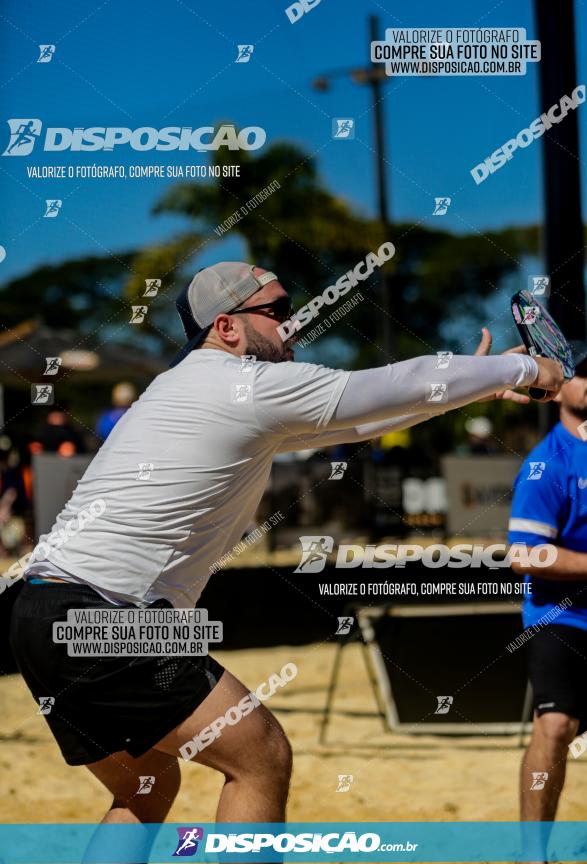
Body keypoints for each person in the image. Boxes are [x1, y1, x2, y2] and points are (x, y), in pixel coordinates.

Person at [10, 261, 562, 845]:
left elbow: (360, 421)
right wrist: (526, 365)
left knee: (145, 785)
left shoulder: (186, 386)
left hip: (40, 615)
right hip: (103, 616)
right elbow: (387, 385)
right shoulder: (242, 386)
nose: (292, 325)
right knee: (261, 755)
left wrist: (473, 381)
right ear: (226, 327)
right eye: (275, 312)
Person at [509, 340, 587, 835]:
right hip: (561, 617)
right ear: (557, 391)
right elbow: (525, 556)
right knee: (556, 725)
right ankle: (533, 850)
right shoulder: (547, 463)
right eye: (583, 373)